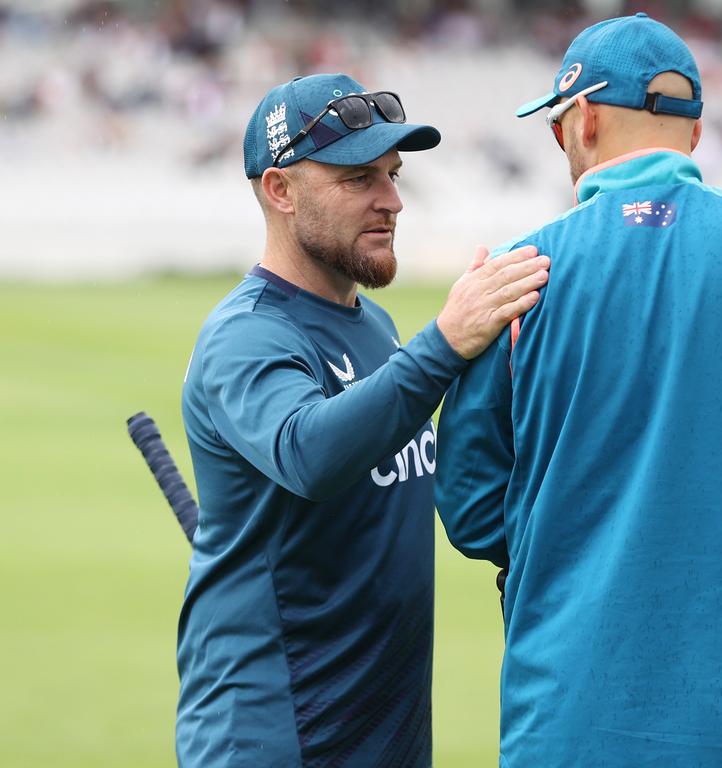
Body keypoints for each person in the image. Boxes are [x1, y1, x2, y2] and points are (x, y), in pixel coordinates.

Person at [435, 14, 722, 767]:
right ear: (692, 133)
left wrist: (568, 539)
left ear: (582, 121)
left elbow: (468, 508)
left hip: (566, 723)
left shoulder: (514, 277)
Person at [177, 73, 549, 767]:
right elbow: (309, 453)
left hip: (383, 736)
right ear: (280, 191)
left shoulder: (373, 326)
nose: (392, 201)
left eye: (393, 173)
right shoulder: (246, 335)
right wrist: (444, 342)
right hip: (278, 739)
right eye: (358, 180)